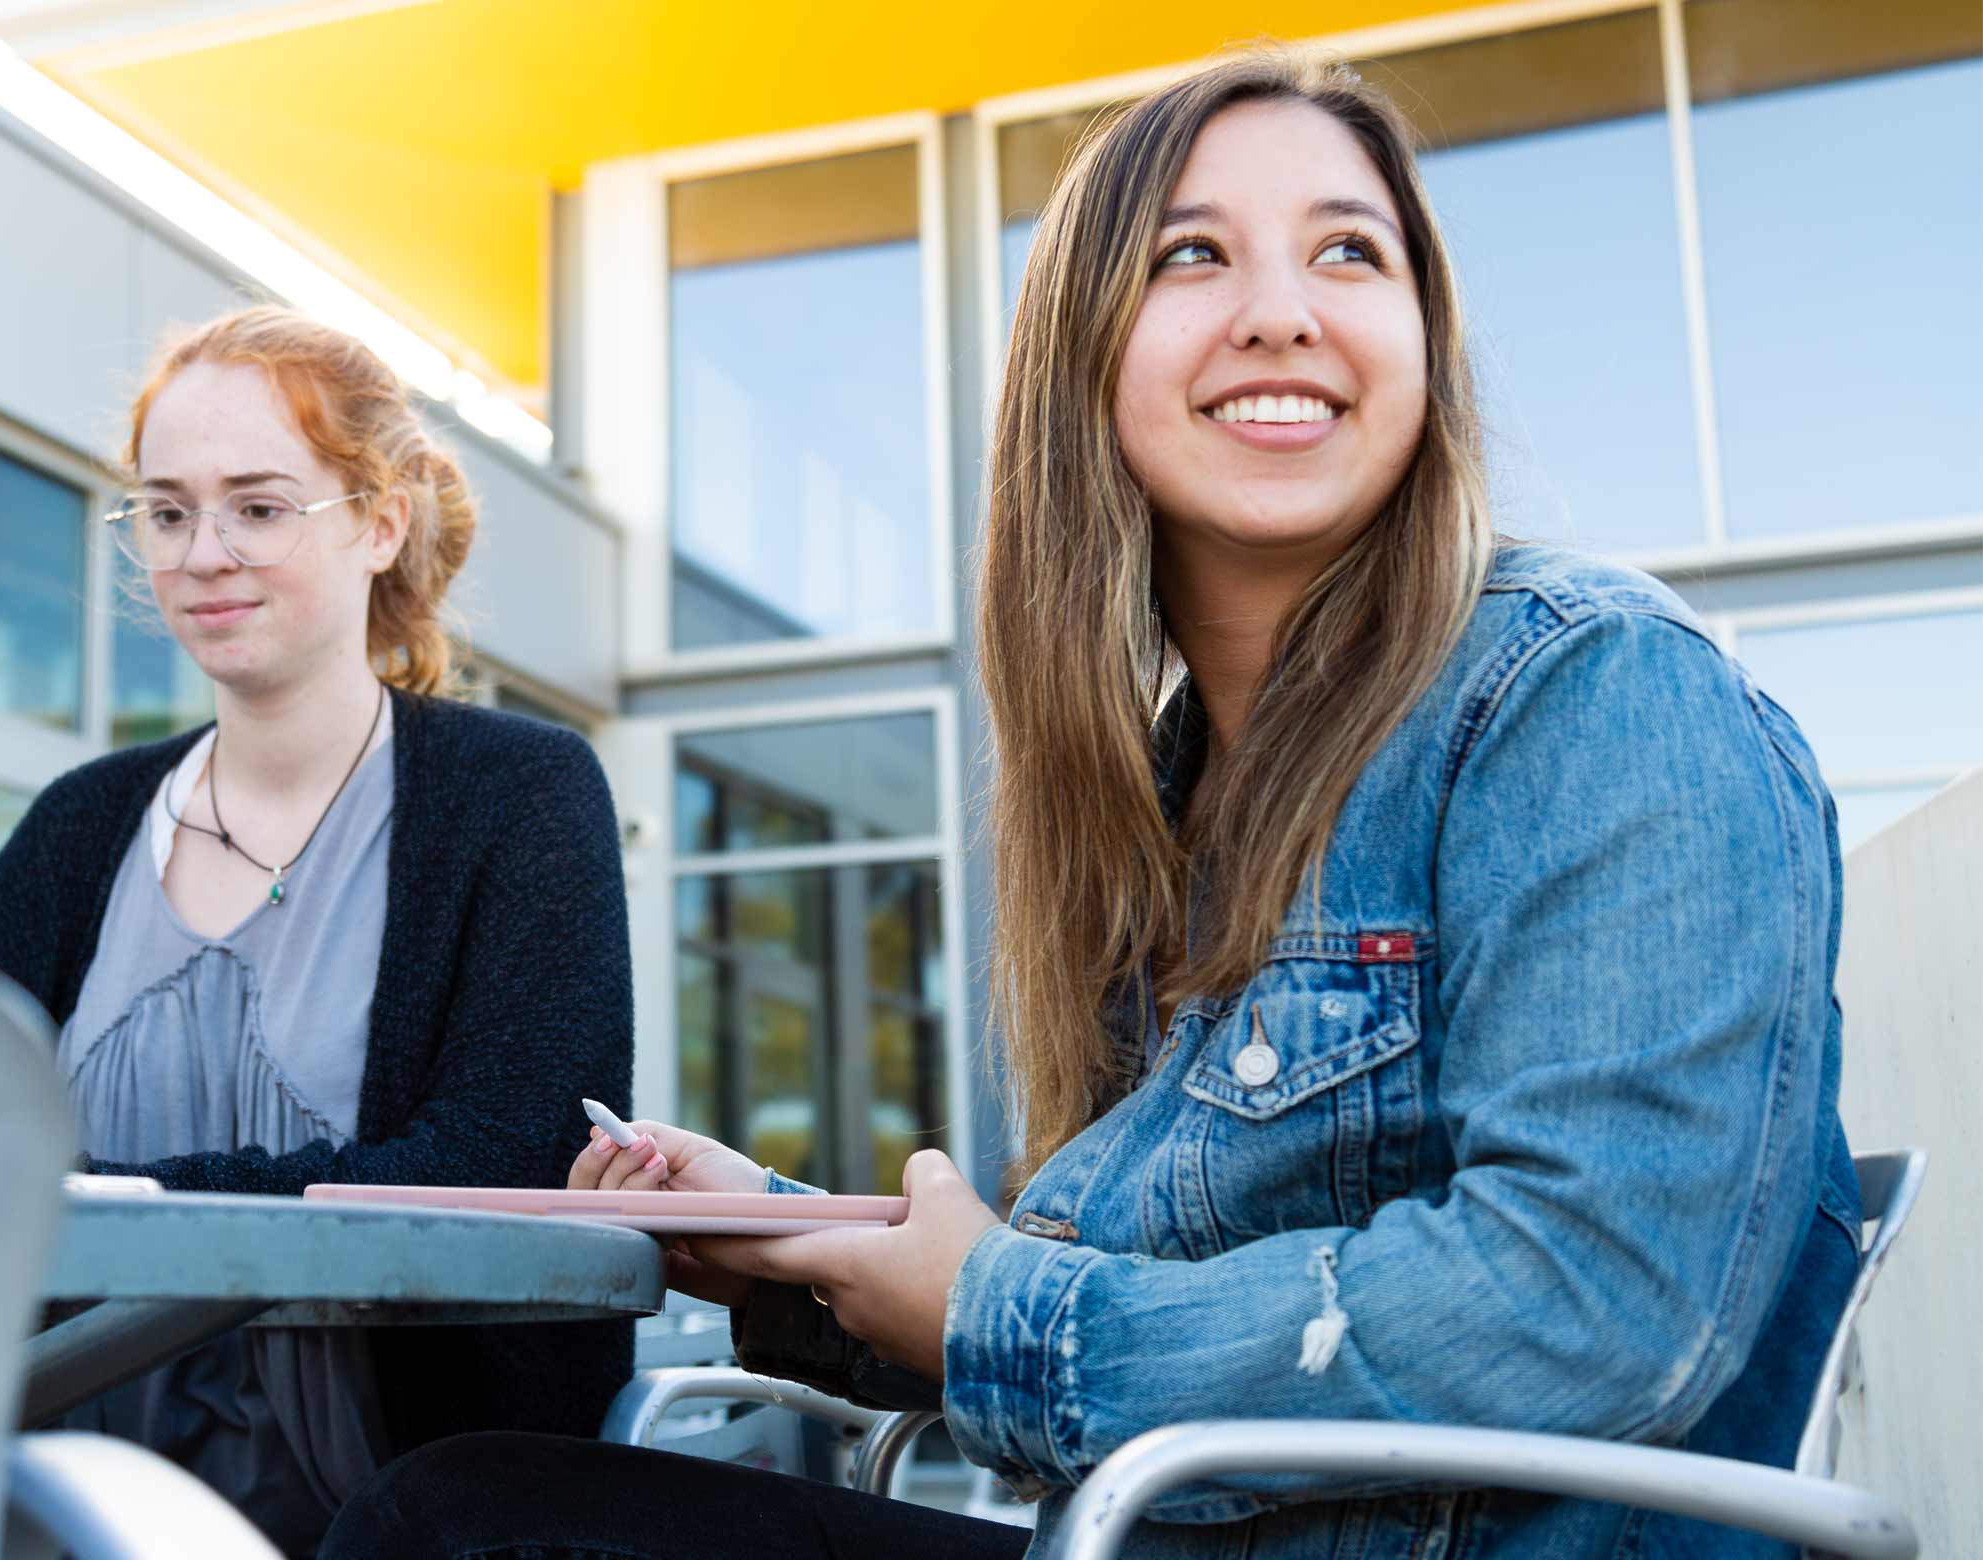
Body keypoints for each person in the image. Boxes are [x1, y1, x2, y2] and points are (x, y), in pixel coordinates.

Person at [316, 46, 1861, 1560]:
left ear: (1422, 342)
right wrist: (802, 1241)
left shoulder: (1595, 695)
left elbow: (1593, 1306)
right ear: (1083, 353)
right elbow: (1144, 1300)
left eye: (1351, 253)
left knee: (468, 1524)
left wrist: (990, 1306)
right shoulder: (1172, 798)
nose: (1281, 313)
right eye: (1194, 256)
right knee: (477, 1501)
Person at [0, 307, 635, 1557]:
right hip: (44, 1498)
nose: (203, 552)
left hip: (393, 1513)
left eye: (258, 507)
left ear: (379, 524)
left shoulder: (517, 795)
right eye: (166, 512)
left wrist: (108, 1204)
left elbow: (508, 1160)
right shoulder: (79, 826)